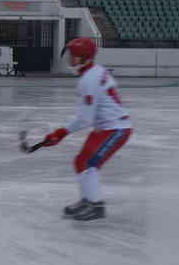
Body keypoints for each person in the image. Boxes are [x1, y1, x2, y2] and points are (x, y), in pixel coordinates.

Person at [40, 37, 133, 221]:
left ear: (83, 57)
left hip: (116, 128)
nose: (69, 58)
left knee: (89, 163)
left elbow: (85, 119)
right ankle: (87, 200)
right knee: (81, 161)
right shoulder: (94, 72)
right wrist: (61, 132)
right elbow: (87, 115)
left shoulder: (89, 79)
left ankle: (96, 206)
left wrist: (61, 133)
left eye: (73, 55)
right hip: (104, 127)